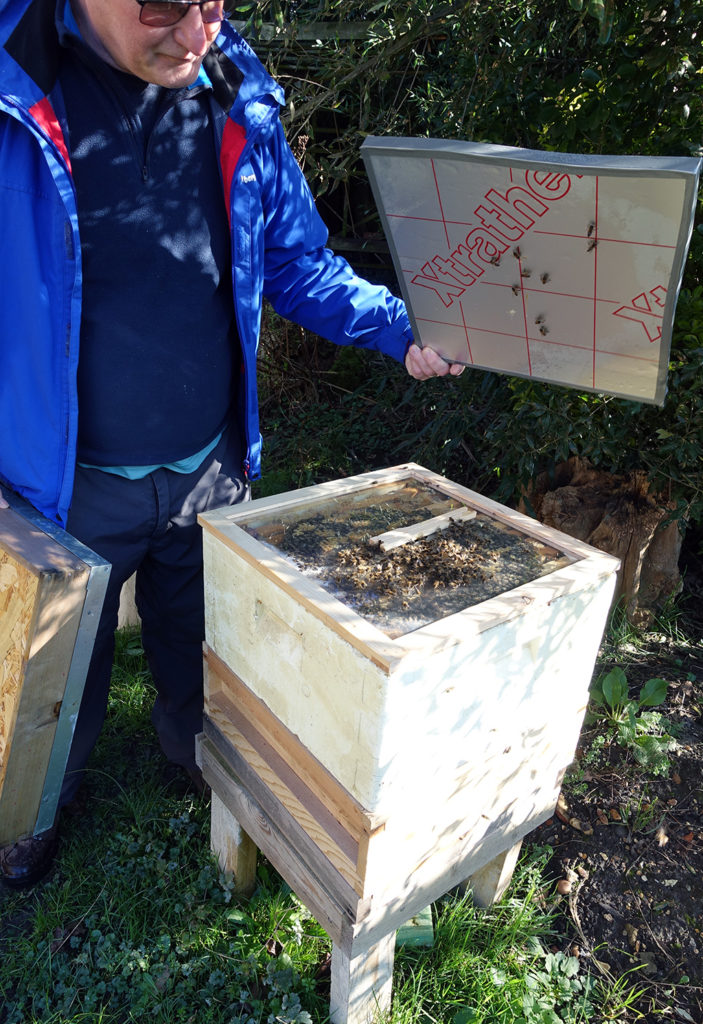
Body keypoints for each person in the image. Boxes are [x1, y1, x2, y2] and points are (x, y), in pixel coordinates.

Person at [0, 0, 463, 888]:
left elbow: (296, 262)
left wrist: (400, 327)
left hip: (210, 475)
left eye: (213, 4)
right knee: (52, 688)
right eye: (166, 9)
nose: (196, 35)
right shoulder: (14, 97)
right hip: (59, 491)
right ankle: (29, 814)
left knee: (200, 656)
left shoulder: (234, 89)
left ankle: (193, 762)